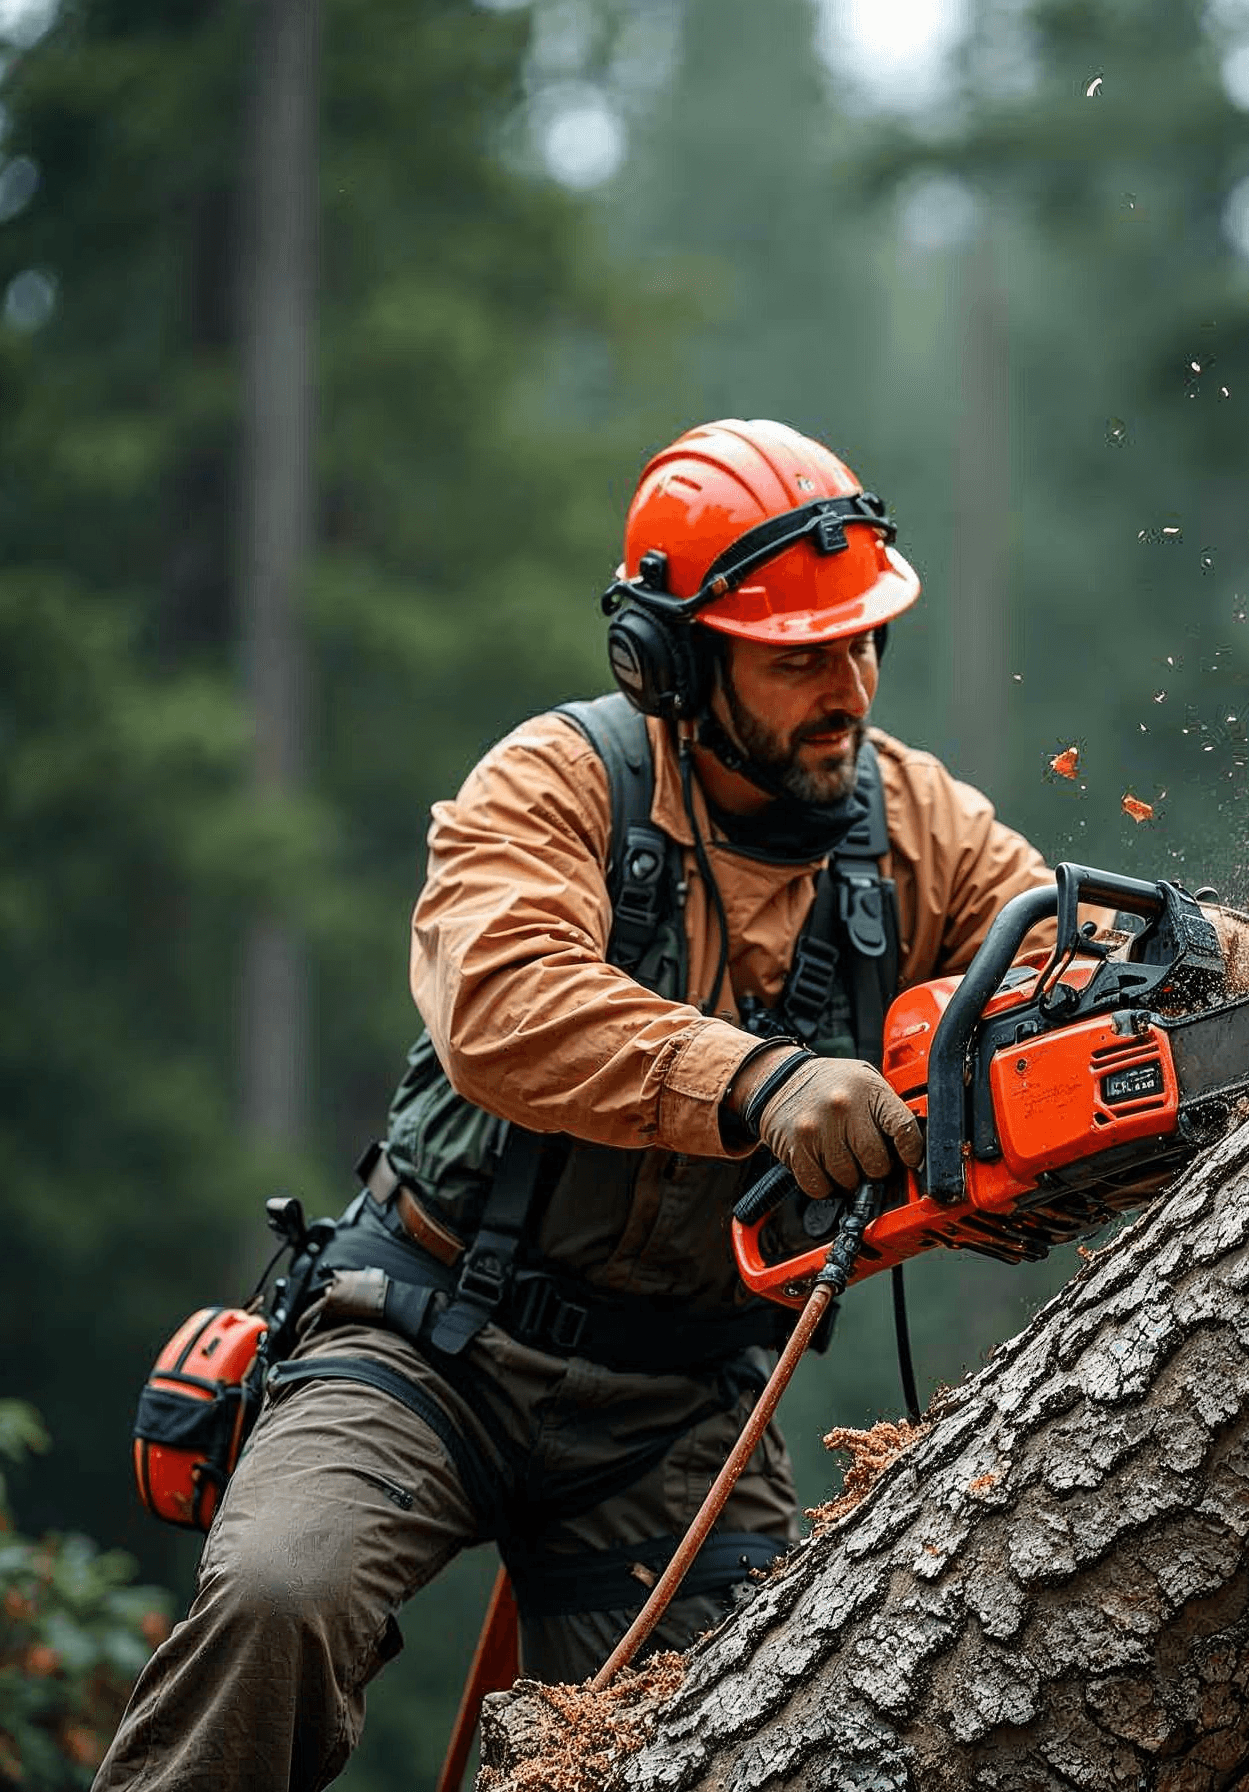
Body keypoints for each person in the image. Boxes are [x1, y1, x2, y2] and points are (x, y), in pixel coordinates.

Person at [96, 418, 1181, 1790]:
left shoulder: (918, 825)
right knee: (277, 1597)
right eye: (800, 658)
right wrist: (763, 1082)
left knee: (728, 1747)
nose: (848, 687)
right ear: (671, 661)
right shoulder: (557, 783)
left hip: (682, 1408)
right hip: (432, 1336)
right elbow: (503, 1003)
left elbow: (1055, 959)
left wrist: (1194, 977)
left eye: (863, 644)